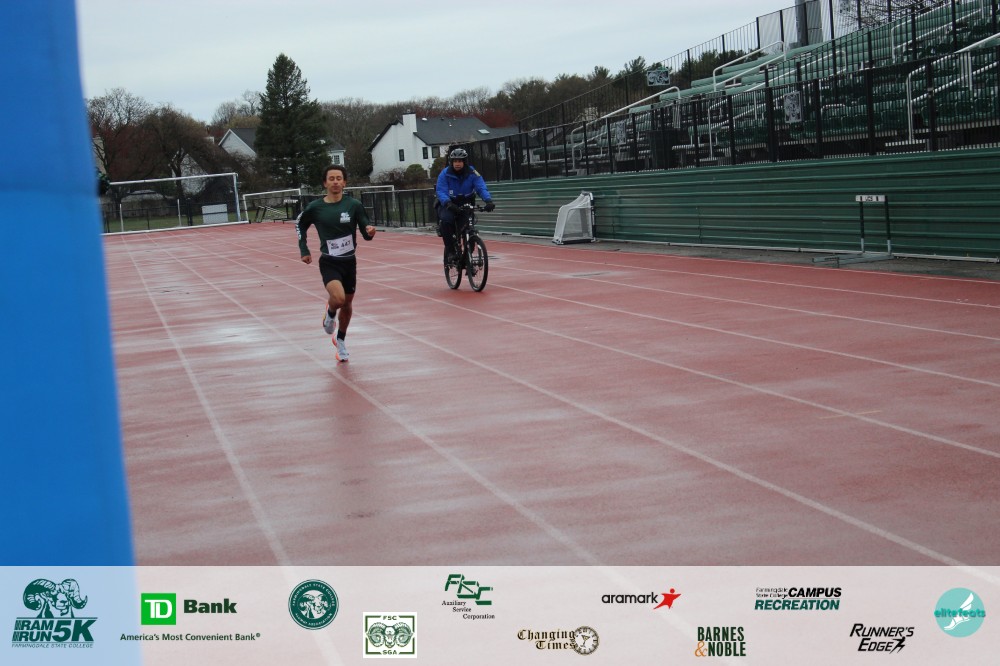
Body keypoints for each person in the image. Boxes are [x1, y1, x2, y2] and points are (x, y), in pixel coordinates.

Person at [296, 164, 377, 362]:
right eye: (331, 179)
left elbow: (365, 229)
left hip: (349, 262)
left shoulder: (354, 205)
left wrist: (369, 231)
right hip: (329, 261)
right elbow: (300, 225)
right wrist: (304, 249)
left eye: (339, 178)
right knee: (339, 298)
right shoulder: (316, 208)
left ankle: (340, 340)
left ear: (344, 182)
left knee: (347, 304)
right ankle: (330, 312)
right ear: (325, 183)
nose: (335, 182)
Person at [436, 147, 495, 262]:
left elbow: (481, 187)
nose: (457, 164)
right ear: (451, 162)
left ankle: (468, 255)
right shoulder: (445, 174)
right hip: (449, 203)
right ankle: (451, 251)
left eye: (460, 161)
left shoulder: (473, 173)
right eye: (455, 161)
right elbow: (441, 191)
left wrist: (488, 201)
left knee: (468, 226)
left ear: (465, 162)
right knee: (446, 222)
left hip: (466, 203)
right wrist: (448, 203)